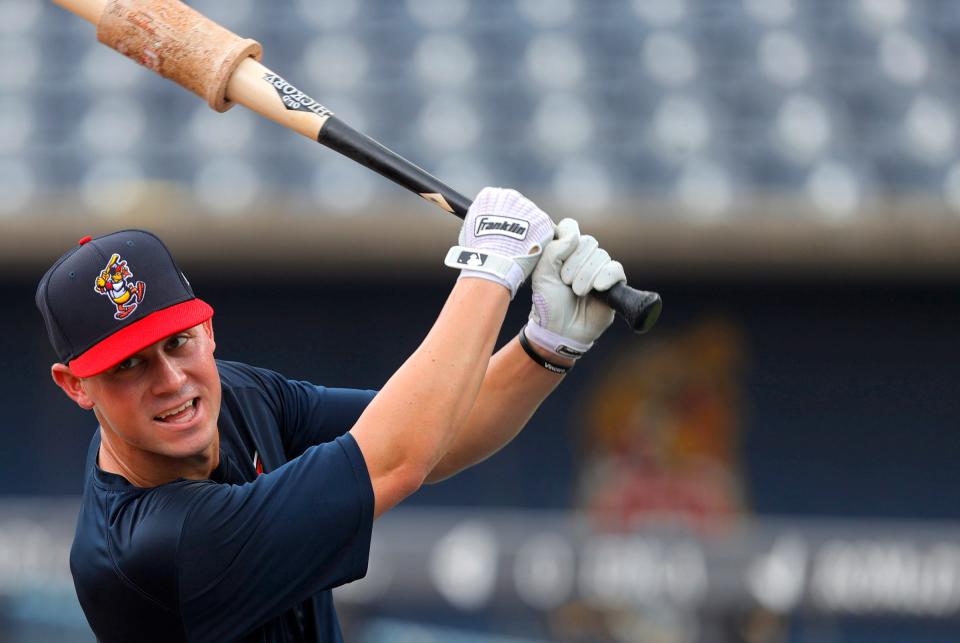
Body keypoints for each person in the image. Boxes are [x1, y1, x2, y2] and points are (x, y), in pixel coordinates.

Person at [36, 187, 628, 642]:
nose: (171, 382)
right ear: (76, 386)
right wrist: (490, 272)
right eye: (127, 366)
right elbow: (398, 459)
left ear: (208, 329)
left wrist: (546, 346)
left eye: (177, 343)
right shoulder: (150, 548)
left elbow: (437, 431)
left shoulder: (236, 396)